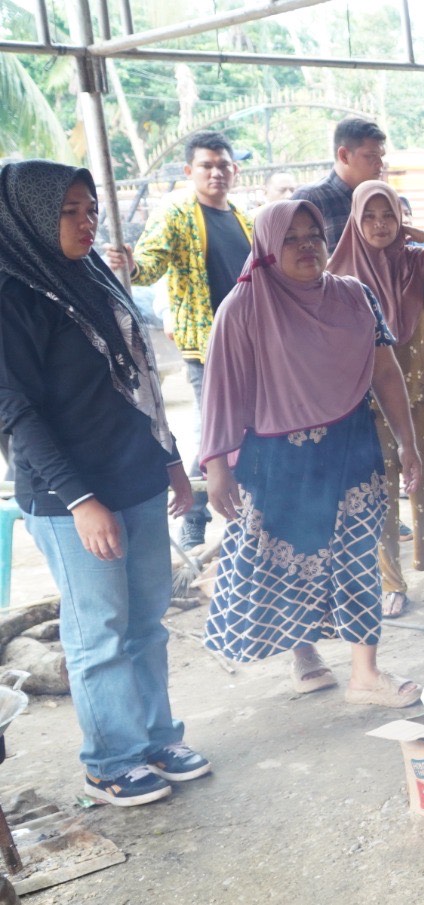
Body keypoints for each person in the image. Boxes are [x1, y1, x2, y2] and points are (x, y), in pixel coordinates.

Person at [0, 160, 210, 806]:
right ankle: (110, 757)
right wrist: (82, 500)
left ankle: (154, 737)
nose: (86, 222)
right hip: (71, 496)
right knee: (99, 630)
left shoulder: (90, 272)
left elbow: (140, 375)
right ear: (30, 217)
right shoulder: (12, 294)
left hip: (136, 473)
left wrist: (170, 460)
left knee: (147, 618)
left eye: (90, 208)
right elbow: (15, 414)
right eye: (69, 211)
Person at [201, 199, 423, 709]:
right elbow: (222, 392)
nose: (306, 246)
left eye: (314, 235)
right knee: (286, 562)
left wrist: (408, 443)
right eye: (291, 238)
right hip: (276, 459)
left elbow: (386, 372)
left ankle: (365, 674)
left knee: (357, 558)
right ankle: (303, 657)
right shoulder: (242, 308)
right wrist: (217, 469)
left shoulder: (354, 296)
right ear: (267, 247)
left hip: (351, 446)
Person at [104, 131, 252, 552]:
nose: (216, 172)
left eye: (223, 165)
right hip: (205, 349)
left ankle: (245, 516)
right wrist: (130, 264)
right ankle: (194, 517)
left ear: (234, 170)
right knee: (214, 435)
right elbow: (149, 266)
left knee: (249, 434)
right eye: (207, 165)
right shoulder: (178, 215)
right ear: (190, 171)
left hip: (251, 349)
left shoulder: (245, 219)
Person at [330, 182, 424, 617]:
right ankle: (392, 581)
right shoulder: (340, 273)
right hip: (368, 396)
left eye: (387, 215)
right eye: (369, 217)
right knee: (381, 490)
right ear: (356, 219)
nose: (379, 225)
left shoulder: (417, 261)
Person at [291, 116, 386, 248]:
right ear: (344, 156)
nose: (380, 164)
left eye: (381, 156)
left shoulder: (380, 199)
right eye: (370, 156)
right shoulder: (311, 198)